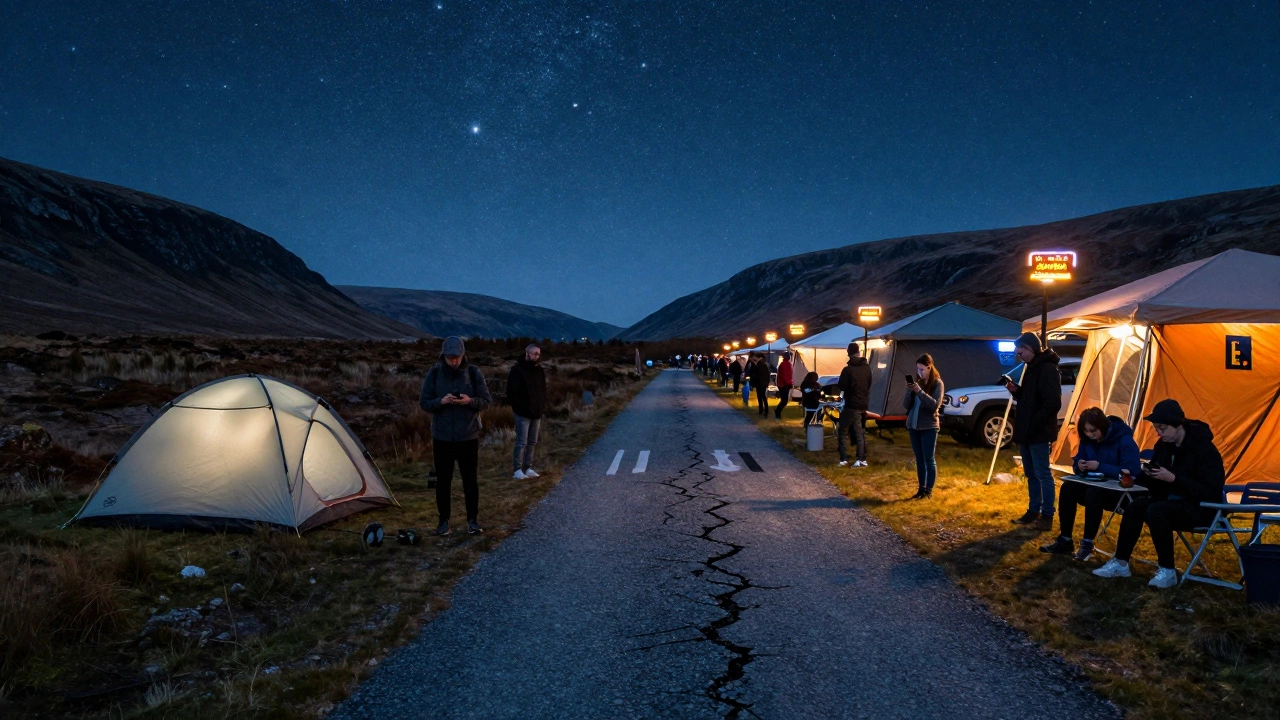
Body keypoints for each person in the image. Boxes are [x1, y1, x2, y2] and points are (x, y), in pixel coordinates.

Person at [1092, 399, 1226, 588]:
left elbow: (1210, 491)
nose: (1159, 433)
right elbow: (1157, 482)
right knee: (1136, 506)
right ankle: (1121, 562)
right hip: (1170, 501)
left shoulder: (1204, 449)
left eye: (1162, 428)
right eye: (1157, 428)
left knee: (1157, 510)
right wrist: (1141, 477)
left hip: (1201, 509)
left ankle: (1167, 570)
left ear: (1178, 425)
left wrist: (1174, 479)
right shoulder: (1164, 446)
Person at [1040, 407, 1141, 561]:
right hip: (1094, 485)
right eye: (1086, 431)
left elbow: (1132, 472)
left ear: (1102, 426)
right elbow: (1078, 462)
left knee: (1094, 493)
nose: (1090, 435)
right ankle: (1065, 539)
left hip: (1118, 492)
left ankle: (1087, 544)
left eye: (1093, 431)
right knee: (1068, 487)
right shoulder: (1087, 441)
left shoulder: (1124, 440)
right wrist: (1079, 466)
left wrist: (1100, 466)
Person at [420, 336, 492, 536]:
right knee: (443, 481)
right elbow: (424, 402)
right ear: (443, 356)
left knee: (470, 480)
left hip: (468, 437)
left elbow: (486, 401)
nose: (454, 361)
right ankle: (443, 522)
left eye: (457, 357)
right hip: (442, 438)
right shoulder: (434, 373)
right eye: (450, 358)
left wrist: (470, 401)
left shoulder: (473, 372)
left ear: (463, 355)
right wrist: (441, 402)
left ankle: (473, 521)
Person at [1005, 331, 1062, 531]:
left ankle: (1047, 515)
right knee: (1030, 473)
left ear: (1030, 348)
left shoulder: (1047, 369)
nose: (1018, 354)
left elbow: (1052, 403)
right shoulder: (1031, 368)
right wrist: (1018, 392)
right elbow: (1031, 398)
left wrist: (1034, 421)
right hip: (1027, 431)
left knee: (1042, 473)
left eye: (1020, 350)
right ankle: (1033, 510)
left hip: (1038, 431)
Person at [904, 354, 944, 499]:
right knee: (919, 459)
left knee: (928, 458)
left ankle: (928, 490)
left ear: (929, 367)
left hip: (928, 426)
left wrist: (919, 392)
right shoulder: (917, 384)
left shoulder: (937, 383)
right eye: (917, 370)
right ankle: (921, 489)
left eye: (922, 370)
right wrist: (910, 391)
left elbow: (934, 405)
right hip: (914, 425)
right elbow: (906, 405)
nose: (919, 373)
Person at [506, 343, 546, 480]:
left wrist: (541, 407)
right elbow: (511, 392)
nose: (536, 356)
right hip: (523, 413)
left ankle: (527, 467)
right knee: (521, 442)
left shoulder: (539, 370)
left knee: (532, 442)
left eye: (538, 354)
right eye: (534, 353)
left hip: (537, 413)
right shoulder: (517, 370)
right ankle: (517, 470)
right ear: (526, 353)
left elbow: (542, 390)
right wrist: (519, 408)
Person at [836, 341, 872, 467]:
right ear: (859, 351)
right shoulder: (867, 367)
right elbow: (869, 383)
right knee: (860, 431)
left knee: (843, 431)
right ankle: (861, 458)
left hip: (851, 404)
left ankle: (848, 458)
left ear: (848, 353)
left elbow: (841, 386)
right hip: (864, 403)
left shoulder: (847, 370)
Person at [749, 352, 771, 416]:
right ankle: (764, 410)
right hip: (763, 383)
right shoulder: (763, 363)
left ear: (757, 357)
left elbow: (758, 374)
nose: (754, 358)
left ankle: (762, 410)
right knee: (763, 396)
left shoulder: (759, 364)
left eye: (755, 357)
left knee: (761, 397)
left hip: (760, 383)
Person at [774, 351, 794, 419]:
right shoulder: (786, 364)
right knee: (784, 400)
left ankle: (777, 411)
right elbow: (786, 376)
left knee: (784, 400)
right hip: (785, 384)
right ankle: (777, 412)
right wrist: (789, 383)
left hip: (783, 384)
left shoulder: (784, 364)